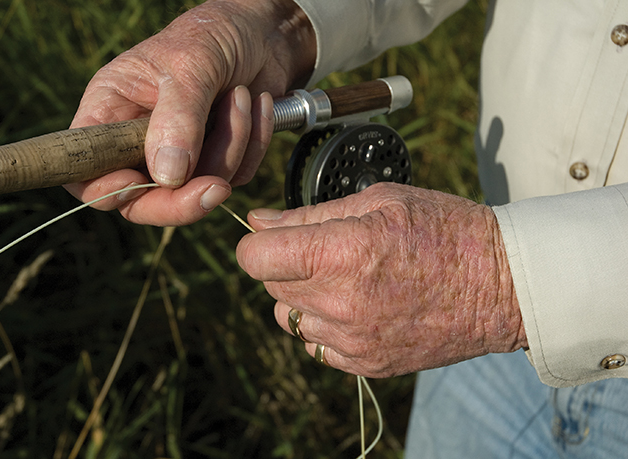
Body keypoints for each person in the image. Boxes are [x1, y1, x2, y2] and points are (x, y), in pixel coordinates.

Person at [66, 0, 628, 457]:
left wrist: (494, 284)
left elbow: (491, 283)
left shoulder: (475, 293)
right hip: (477, 353)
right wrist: (270, 21)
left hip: (473, 307)